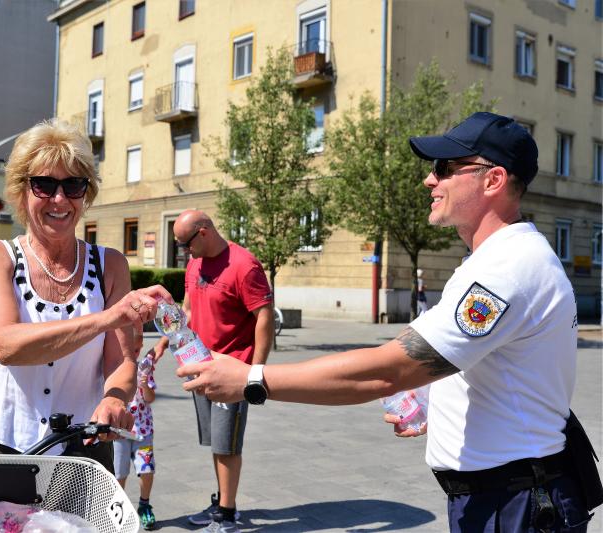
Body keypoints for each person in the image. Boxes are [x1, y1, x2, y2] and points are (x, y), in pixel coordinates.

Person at [178, 113, 594, 531]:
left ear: (493, 180)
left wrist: (253, 379)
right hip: (502, 496)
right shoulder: (493, 260)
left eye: (444, 168)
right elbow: (478, 362)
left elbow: (390, 370)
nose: (430, 180)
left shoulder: (508, 267)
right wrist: (432, 397)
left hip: (517, 503)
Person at [0, 118, 172, 473]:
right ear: (21, 190)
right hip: (1, 442)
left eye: (73, 185)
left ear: (85, 193)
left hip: (85, 444)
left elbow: (121, 360)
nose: (59, 199)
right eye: (44, 185)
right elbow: (5, 346)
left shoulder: (110, 265)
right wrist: (107, 318)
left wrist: (114, 399)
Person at [172, 210, 274, 533]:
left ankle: (227, 517)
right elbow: (188, 309)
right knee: (216, 442)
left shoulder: (244, 265)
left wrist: (255, 373)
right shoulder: (195, 264)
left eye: (185, 244)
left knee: (227, 446)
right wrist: (167, 342)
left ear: (203, 232)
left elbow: (264, 317)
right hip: (202, 368)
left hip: (233, 372)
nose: (184, 252)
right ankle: (222, 503)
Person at [113, 331, 168, 531]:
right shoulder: (113, 367)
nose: (133, 353)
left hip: (143, 430)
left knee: (147, 469)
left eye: (136, 350)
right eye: (128, 349)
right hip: (118, 431)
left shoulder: (144, 367)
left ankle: (144, 505)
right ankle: (117, 509)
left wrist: (145, 387)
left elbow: (150, 398)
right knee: (119, 473)